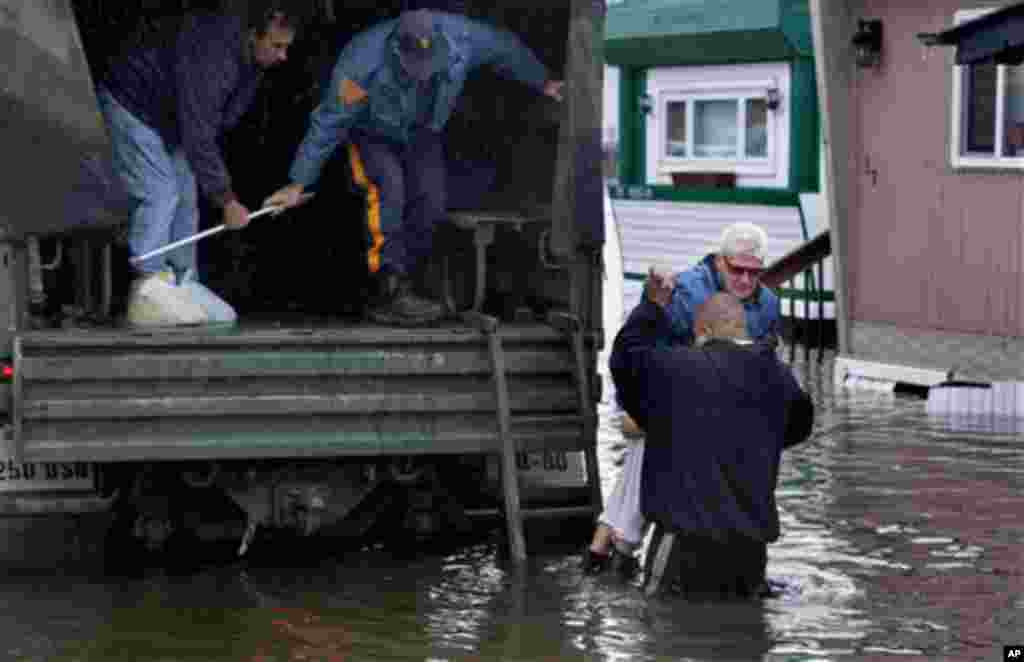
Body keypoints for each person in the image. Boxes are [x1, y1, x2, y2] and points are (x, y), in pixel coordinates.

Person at [263, 9, 564, 326]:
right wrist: (298, 182)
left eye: (428, 66)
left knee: (431, 200)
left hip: (422, 131)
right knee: (388, 188)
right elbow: (330, 122)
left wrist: (542, 80)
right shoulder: (360, 66)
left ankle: (413, 284)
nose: (422, 74)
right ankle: (388, 289)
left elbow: (504, 48)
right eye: (413, 68)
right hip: (371, 133)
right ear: (395, 49)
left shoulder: (462, 39)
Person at [584, 221, 782, 573]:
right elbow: (642, 360)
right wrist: (635, 410)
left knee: (647, 451)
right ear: (720, 262)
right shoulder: (687, 293)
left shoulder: (767, 305)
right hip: (680, 400)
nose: (746, 282)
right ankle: (617, 541)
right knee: (652, 441)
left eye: (755, 274)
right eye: (738, 271)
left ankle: (610, 541)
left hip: (728, 412)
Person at [97, 3, 299, 327]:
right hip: (131, 103)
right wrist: (227, 200)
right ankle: (148, 284)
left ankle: (182, 281)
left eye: (287, 47)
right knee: (161, 192)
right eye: (277, 46)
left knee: (186, 195)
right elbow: (200, 135)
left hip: (170, 119)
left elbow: (215, 125)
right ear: (253, 36)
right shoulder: (215, 56)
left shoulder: (251, 64)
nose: (283, 56)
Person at [609, 291, 813, 597]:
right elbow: (799, 426)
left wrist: (652, 306)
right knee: (744, 634)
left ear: (703, 331)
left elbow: (625, 361)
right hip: (750, 552)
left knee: (661, 629)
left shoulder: (676, 369)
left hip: (683, 544)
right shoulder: (781, 377)